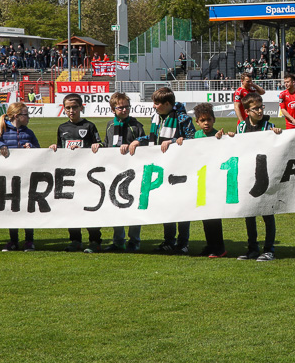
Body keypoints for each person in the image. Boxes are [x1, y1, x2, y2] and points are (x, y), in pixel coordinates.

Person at [129, 86, 198, 254]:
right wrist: (139, 140)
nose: (154, 106)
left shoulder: (183, 118)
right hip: (162, 167)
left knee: (181, 207)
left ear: (167, 104)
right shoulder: (157, 117)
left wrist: (174, 141)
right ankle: (169, 240)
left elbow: (192, 140)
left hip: (180, 168)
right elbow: (156, 139)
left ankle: (183, 243)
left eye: (157, 103)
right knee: (167, 205)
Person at [50, 93, 103, 252]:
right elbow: (61, 149)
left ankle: (95, 240)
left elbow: (98, 146)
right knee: (71, 209)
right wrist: (55, 148)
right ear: (64, 109)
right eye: (68, 108)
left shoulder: (89, 126)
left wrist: (95, 147)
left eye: (74, 107)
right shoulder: (62, 128)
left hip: (86, 175)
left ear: (81, 107)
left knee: (89, 208)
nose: (71, 111)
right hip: (69, 175)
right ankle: (75, 240)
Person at [0, 102, 42, 251]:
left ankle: (29, 240)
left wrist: (32, 148)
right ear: (17, 116)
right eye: (26, 114)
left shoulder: (28, 133)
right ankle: (13, 240)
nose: (29, 117)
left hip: (27, 177)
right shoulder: (1, 131)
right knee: (12, 209)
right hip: (9, 177)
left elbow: (39, 150)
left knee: (28, 208)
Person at [236, 93, 281, 261]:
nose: (260, 111)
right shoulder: (241, 127)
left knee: (268, 214)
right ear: (247, 111)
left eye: (261, 107)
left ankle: (269, 249)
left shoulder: (269, 126)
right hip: (248, 175)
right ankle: (253, 249)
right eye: (255, 108)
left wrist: (277, 135)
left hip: (265, 174)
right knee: (250, 214)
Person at [103, 92, 146, 252]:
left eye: (127, 107)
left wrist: (136, 142)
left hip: (133, 173)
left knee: (133, 207)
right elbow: (106, 145)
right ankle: (118, 241)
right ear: (113, 109)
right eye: (120, 107)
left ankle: (135, 241)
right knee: (116, 206)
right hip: (114, 172)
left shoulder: (135, 125)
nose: (124, 110)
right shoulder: (109, 125)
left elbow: (146, 141)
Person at [191, 102, 228, 258]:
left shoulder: (218, 135)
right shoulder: (196, 135)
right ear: (197, 122)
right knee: (205, 216)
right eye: (202, 120)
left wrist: (223, 139)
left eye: (209, 120)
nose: (206, 123)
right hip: (201, 180)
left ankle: (219, 248)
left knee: (214, 216)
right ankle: (210, 245)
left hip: (214, 180)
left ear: (214, 120)